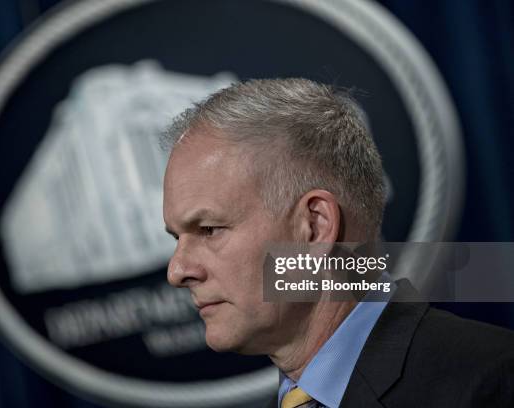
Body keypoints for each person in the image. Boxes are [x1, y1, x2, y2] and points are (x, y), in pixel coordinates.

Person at [161, 78, 514, 408]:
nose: (177, 271)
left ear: (315, 227)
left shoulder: (491, 383)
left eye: (208, 229)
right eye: (177, 237)